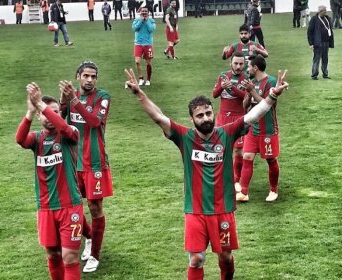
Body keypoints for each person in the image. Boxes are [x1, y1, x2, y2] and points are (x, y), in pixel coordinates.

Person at [123, 67, 289, 280]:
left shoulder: (226, 133)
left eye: (208, 113)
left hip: (223, 210)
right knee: (196, 259)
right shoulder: (184, 137)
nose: (205, 118)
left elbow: (253, 115)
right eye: (199, 115)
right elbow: (159, 117)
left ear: (213, 112)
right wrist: (139, 94)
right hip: (195, 211)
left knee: (226, 258)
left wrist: (273, 94)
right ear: (192, 119)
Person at [16, 84, 84, 280]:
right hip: (45, 208)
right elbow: (20, 139)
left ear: (60, 114)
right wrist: (30, 112)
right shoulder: (36, 139)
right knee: (53, 255)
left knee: (69, 257)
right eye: (44, 113)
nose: (49, 115)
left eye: (54, 112)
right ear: (39, 117)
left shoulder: (69, 133)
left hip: (70, 207)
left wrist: (40, 104)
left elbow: (63, 127)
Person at [59, 61, 113, 273]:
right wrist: (63, 100)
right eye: (86, 76)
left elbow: (92, 122)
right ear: (78, 76)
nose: (89, 80)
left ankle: (95, 255)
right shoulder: (72, 98)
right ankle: (89, 236)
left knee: (94, 207)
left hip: (95, 162)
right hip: (72, 161)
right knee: (70, 204)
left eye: (93, 76)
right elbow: (59, 121)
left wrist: (73, 100)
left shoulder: (103, 97)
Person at [236, 55, 285, 203]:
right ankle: (244, 192)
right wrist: (247, 92)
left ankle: (273, 190)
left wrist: (252, 91)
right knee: (247, 157)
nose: (247, 69)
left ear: (255, 67)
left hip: (268, 129)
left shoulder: (270, 81)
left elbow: (268, 104)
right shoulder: (252, 82)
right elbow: (245, 106)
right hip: (253, 128)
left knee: (270, 160)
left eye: (248, 67)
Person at [213, 52, 248, 194]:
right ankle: (221, 179)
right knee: (221, 149)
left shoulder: (246, 78)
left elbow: (245, 97)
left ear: (244, 64)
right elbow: (214, 94)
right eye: (236, 63)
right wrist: (222, 86)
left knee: (238, 150)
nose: (238, 66)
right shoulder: (223, 75)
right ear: (230, 63)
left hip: (238, 117)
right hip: (222, 117)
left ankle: (236, 180)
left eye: (241, 64)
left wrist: (232, 88)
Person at [307, 5, 334, 80]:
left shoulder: (327, 18)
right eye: (324, 10)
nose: (326, 11)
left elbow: (329, 29)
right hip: (318, 43)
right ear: (320, 11)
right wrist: (311, 43)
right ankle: (314, 75)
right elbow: (310, 32)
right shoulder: (314, 19)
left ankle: (325, 74)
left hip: (326, 42)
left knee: (325, 59)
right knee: (317, 59)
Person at [132, 6, 156, 86]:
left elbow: (151, 29)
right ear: (140, 12)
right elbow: (135, 28)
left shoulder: (152, 21)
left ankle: (148, 79)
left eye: (146, 11)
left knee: (148, 63)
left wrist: (147, 21)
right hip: (138, 44)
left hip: (148, 44)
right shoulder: (136, 20)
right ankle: (141, 78)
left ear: (148, 12)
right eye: (143, 11)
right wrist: (141, 21)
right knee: (137, 61)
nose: (144, 12)